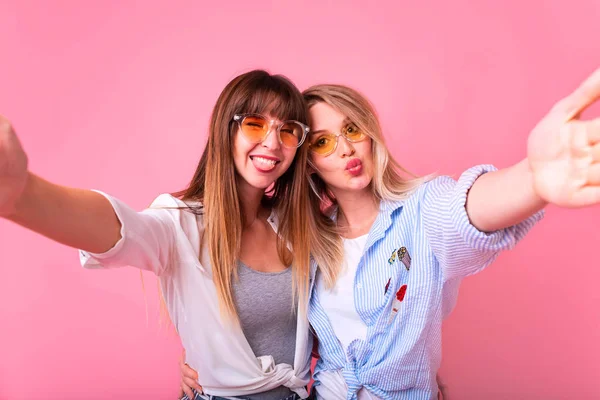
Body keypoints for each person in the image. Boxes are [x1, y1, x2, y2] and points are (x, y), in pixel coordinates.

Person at [180, 68, 600, 399]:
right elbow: (265, 314)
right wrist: (204, 359)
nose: (345, 149)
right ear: (307, 163)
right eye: (323, 143)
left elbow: (466, 210)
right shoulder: (304, 241)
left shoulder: (421, 210)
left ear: (369, 134)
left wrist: (531, 179)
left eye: (351, 131)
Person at [0, 70, 338, 400]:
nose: (273, 143)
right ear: (226, 130)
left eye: (289, 131)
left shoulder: (295, 227)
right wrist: (24, 195)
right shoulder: (181, 223)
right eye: (255, 124)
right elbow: (122, 228)